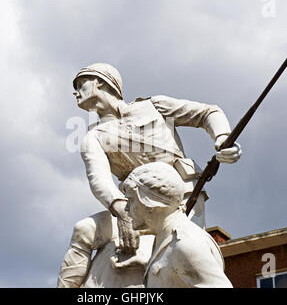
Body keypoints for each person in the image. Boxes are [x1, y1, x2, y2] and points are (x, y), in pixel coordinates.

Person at [57, 63, 241, 288]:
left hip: (179, 203)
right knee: (84, 229)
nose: (75, 92)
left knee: (181, 248)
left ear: (101, 82)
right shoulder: (93, 137)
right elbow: (99, 179)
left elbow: (207, 113)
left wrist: (222, 138)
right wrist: (122, 212)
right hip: (133, 207)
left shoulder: (154, 106)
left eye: (80, 84)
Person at [121, 162, 233, 288]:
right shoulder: (166, 240)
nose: (126, 208)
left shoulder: (185, 244)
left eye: (131, 200)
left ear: (150, 201)